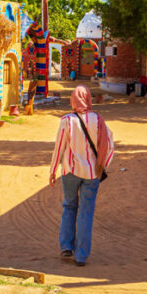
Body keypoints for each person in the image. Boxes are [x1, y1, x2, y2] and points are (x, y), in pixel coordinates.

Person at [49, 85, 114, 266]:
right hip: (93, 173)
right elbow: (109, 143)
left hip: (70, 171)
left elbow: (59, 147)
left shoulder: (67, 121)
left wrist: (53, 170)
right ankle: (81, 256)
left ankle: (66, 246)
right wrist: (103, 164)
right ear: (88, 99)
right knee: (86, 212)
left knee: (69, 206)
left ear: (73, 100)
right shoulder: (99, 120)